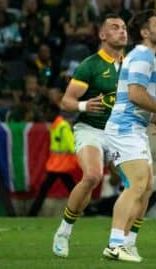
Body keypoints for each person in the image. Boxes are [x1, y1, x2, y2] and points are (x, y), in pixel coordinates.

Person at [103, 10, 156, 262]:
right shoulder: (142, 55)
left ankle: (128, 242)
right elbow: (135, 95)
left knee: (146, 188)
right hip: (124, 128)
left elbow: (137, 98)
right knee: (136, 185)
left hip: (135, 128)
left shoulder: (146, 57)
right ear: (145, 32)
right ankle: (115, 244)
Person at [52, 14, 129, 258]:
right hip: (91, 129)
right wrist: (85, 106)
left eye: (124, 27)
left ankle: (124, 241)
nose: (122, 31)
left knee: (137, 184)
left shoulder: (130, 66)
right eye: (115, 27)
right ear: (102, 35)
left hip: (118, 132)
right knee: (93, 176)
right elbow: (66, 101)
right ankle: (64, 231)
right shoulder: (90, 65)